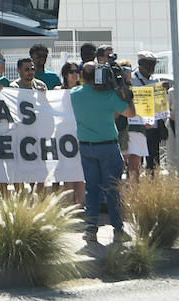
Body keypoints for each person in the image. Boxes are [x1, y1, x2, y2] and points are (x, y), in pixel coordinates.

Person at [72, 59, 136, 244]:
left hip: (86, 147)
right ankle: (118, 230)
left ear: (83, 76)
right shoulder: (109, 96)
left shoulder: (75, 94)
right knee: (112, 190)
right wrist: (126, 95)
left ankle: (90, 230)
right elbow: (131, 113)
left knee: (92, 190)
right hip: (108, 147)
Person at [130, 51, 170, 173]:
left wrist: (164, 91)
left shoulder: (156, 80)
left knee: (153, 158)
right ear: (140, 63)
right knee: (137, 159)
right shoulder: (131, 80)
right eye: (148, 64)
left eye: (153, 65)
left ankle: (153, 185)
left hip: (153, 126)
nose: (151, 68)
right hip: (138, 126)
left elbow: (160, 104)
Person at [57, 61, 85, 205]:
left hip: (81, 136)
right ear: (65, 75)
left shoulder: (83, 91)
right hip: (64, 137)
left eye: (77, 71)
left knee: (80, 175)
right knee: (67, 175)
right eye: (71, 72)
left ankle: (80, 208)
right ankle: (68, 209)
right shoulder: (57, 91)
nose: (75, 74)